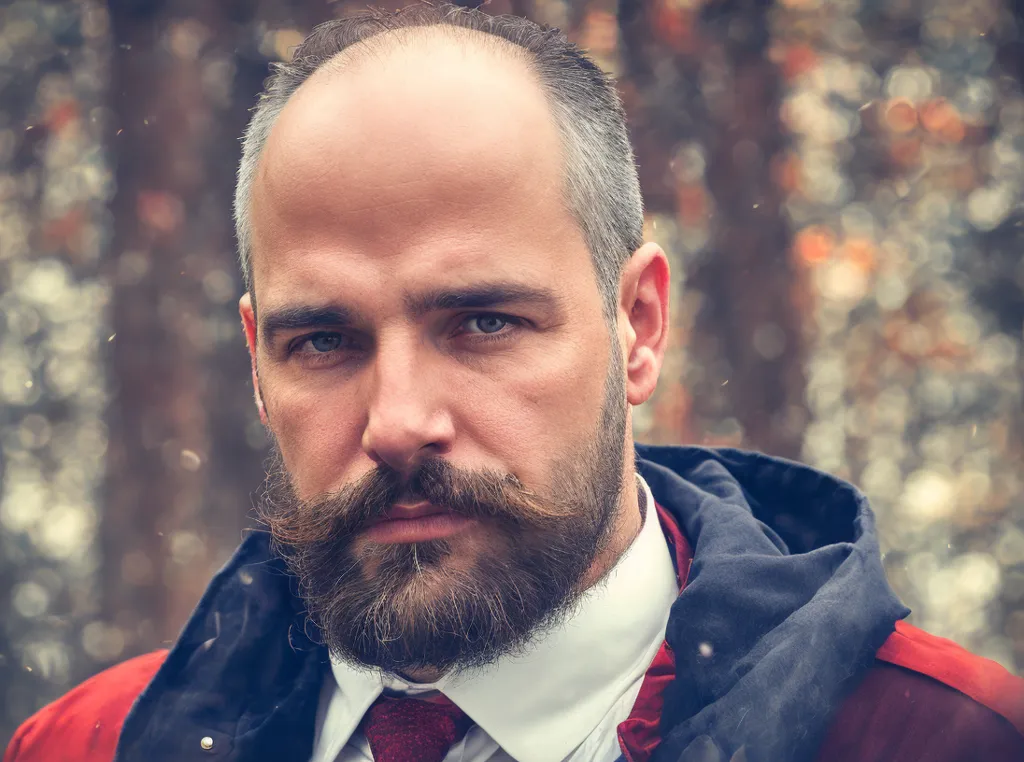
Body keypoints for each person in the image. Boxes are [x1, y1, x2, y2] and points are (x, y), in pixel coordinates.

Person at [6, 4, 1023, 762]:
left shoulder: (936, 739)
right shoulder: (80, 749)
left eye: (483, 322)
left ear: (638, 325)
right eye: (322, 341)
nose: (398, 423)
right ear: (257, 367)